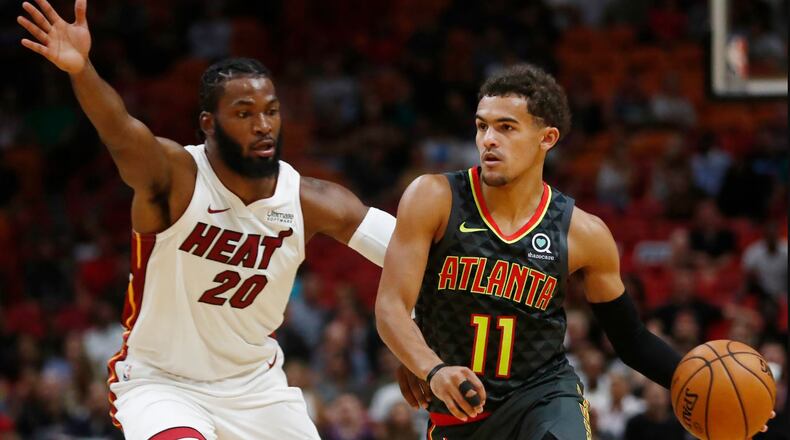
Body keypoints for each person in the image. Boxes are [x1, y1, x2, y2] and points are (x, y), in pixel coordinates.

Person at [17, 1, 395, 439]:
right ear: (207, 124)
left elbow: (409, 249)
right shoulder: (175, 178)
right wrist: (81, 70)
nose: (262, 125)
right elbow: (121, 132)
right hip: (162, 385)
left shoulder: (312, 200)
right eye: (243, 113)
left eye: (270, 111)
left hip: (257, 389)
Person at [374, 64, 771, 439]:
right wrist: (432, 368)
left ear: (547, 138)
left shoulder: (583, 232)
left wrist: (720, 392)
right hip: (458, 408)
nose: (488, 140)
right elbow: (391, 305)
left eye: (506, 127)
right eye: (482, 126)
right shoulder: (434, 198)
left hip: (543, 396)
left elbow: (629, 338)